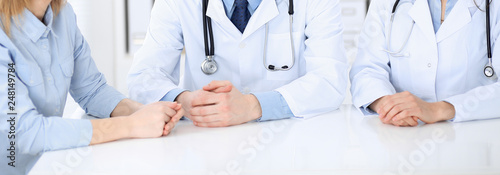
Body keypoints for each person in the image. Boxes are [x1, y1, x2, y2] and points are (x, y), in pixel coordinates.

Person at [0, 1, 184, 173]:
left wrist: (146, 112)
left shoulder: (63, 15)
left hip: (47, 166)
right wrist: (130, 125)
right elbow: (24, 132)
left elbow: (92, 90)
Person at [128, 0, 348, 127]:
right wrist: (183, 101)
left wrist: (253, 105)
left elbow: (330, 80)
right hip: (202, 141)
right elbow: (144, 76)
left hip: (291, 139)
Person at [350, 0, 500, 126]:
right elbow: (367, 70)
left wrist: (438, 110)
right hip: (402, 138)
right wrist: (389, 107)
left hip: (474, 135)